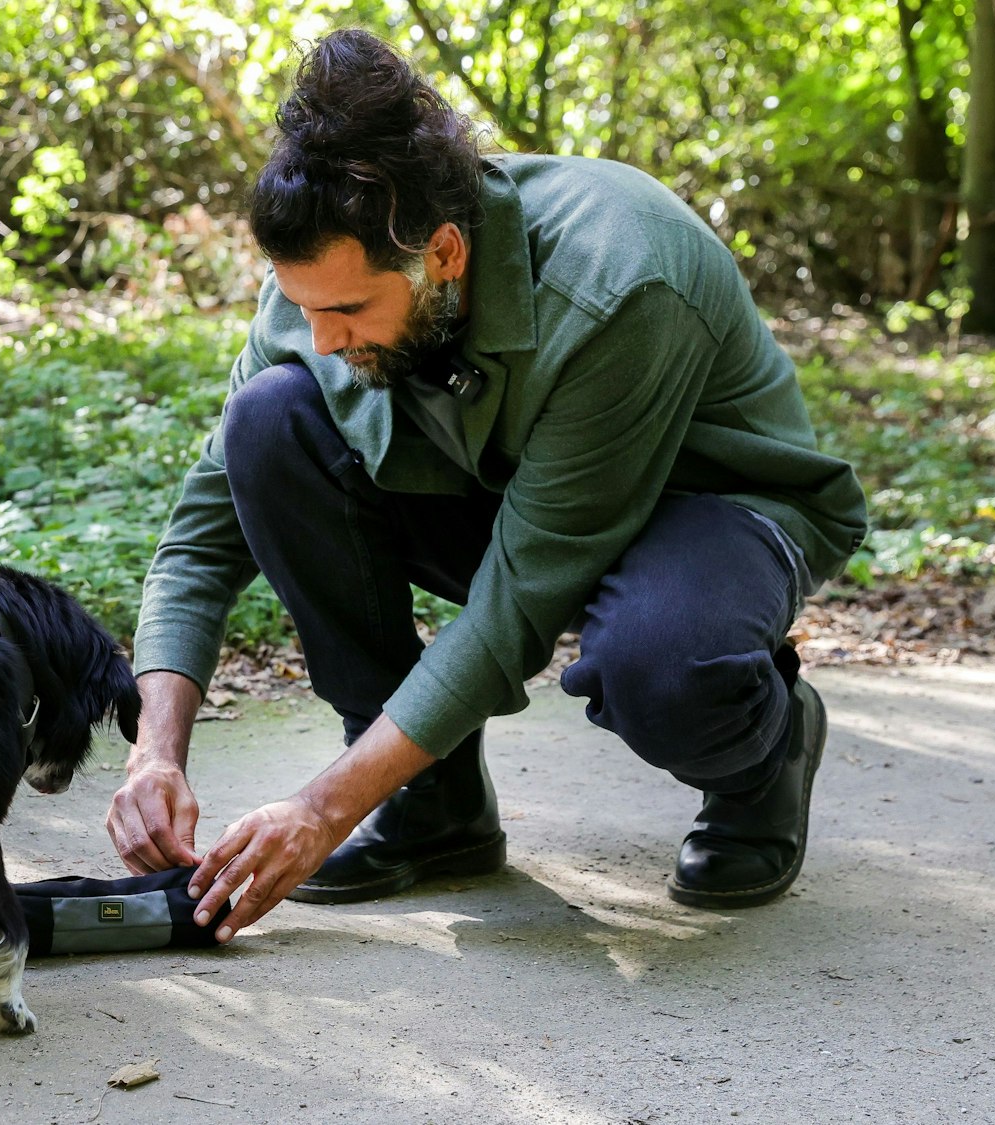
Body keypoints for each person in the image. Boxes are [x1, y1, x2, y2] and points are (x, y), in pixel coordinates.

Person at [104, 29, 868, 944]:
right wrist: (156, 753)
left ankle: (767, 756)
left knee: (664, 665)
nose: (322, 340)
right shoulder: (325, 277)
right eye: (304, 308)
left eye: (345, 313)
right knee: (267, 418)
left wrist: (323, 807)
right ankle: (434, 804)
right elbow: (204, 531)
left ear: (448, 256)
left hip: (712, 509)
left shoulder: (621, 277)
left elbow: (516, 607)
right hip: (513, 494)